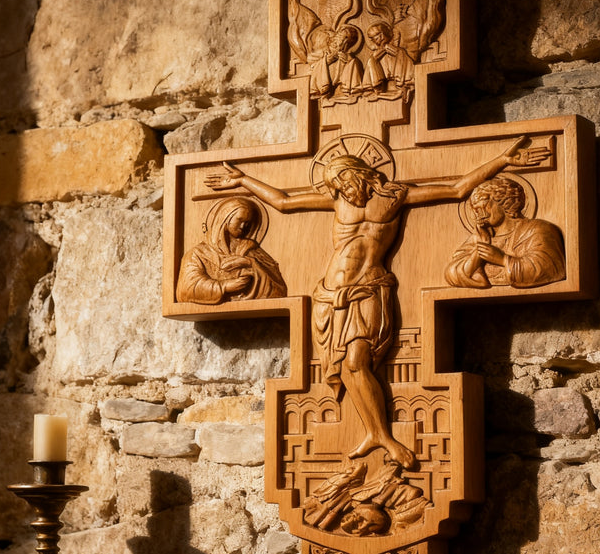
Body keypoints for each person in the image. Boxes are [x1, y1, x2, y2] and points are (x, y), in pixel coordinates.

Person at [205, 137, 543, 466]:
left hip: (368, 287)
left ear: (357, 172)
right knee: (346, 368)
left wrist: (502, 160)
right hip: (330, 293)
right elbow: (283, 202)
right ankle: (375, 433)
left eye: (341, 179)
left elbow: (456, 189)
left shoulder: (395, 196)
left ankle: (381, 435)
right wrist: (243, 180)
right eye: (333, 183)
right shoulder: (337, 200)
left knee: (357, 362)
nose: (339, 187)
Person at [445, 176, 566, 288]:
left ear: (504, 202)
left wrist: (503, 259)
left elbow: (550, 268)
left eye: (484, 206)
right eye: (475, 209)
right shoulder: (480, 237)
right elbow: (452, 274)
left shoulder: (537, 230)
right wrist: (478, 253)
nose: (478, 213)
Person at [176, 197, 287, 304]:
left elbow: (279, 288)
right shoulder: (198, 253)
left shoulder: (252, 249)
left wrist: (251, 263)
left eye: (247, 223)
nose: (243, 226)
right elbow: (186, 288)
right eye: (240, 220)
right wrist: (225, 286)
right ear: (225, 217)